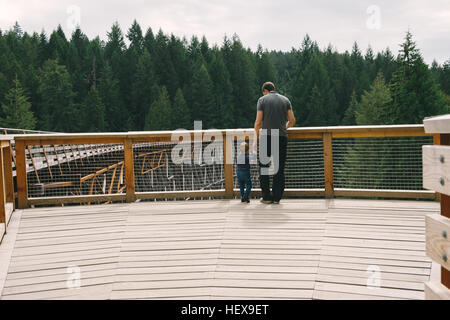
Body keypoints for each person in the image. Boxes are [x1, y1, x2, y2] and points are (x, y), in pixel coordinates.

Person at [253, 82, 296, 204]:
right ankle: (277, 197)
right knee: (279, 167)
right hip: (281, 136)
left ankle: (266, 197)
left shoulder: (262, 100)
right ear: (274, 89)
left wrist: (256, 137)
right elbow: (292, 120)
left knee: (264, 168)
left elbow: (258, 122)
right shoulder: (285, 100)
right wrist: (284, 128)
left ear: (265, 91)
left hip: (266, 136)